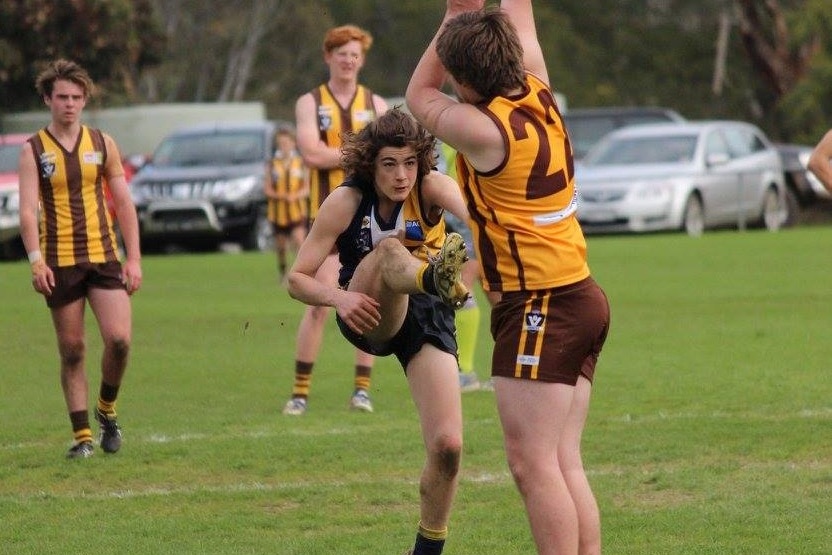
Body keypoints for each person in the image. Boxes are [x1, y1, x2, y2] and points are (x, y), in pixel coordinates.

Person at [407, 2, 611, 554]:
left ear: (467, 78)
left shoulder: (485, 129)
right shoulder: (538, 85)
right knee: (561, 459)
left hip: (541, 303)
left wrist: (454, 12)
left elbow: (418, 96)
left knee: (532, 464)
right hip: (581, 294)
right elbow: (521, 16)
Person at [286, 107, 469, 555]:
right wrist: (339, 298)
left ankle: (426, 551)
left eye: (410, 163)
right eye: (390, 164)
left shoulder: (431, 186)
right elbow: (298, 278)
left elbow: (482, 221)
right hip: (367, 307)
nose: (402, 175)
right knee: (389, 251)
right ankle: (433, 277)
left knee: (448, 447)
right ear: (372, 164)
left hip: (425, 313)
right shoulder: (347, 200)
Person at [17, 59, 142, 459]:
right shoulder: (33, 149)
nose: (69, 104)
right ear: (47, 100)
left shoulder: (103, 143)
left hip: (104, 256)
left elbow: (123, 201)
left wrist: (134, 258)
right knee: (72, 349)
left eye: (76, 97)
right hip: (59, 262)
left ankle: (106, 409)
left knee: (119, 340)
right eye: (61, 97)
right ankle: (83, 436)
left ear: (85, 100)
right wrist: (36, 260)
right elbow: (25, 211)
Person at [283, 23, 390, 416]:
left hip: (369, 219)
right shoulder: (310, 102)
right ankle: (300, 391)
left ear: (362, 60)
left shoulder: (375, 103)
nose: (348, 60)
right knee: (318, 303)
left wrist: (343, 153)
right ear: (328, 56)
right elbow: (311, 153)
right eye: (342, 53)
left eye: (355, 55)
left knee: (371, 302)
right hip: (326, 219)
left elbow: (386, 154)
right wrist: (363, 152)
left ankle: (362, 390)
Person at [439, 141, 489, 392]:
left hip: (469, 219)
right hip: (462, 219)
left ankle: (466, 372)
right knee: (496, 294)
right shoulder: (449, 137)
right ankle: (508, 370)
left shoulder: (453, 136)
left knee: (461, 289)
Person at [266, 125, 309, 282]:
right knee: (281, 247)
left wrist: (295, 195)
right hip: (278, 213)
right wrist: (281, 196)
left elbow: (306, 188)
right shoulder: (272, 164)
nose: (283, 146)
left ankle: (301, 274)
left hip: (297, 211)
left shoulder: (301, 163)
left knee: (299, 241)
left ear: (293, 144)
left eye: (286, 142)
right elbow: (268, 189)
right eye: (280, 143)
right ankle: (283, 271)